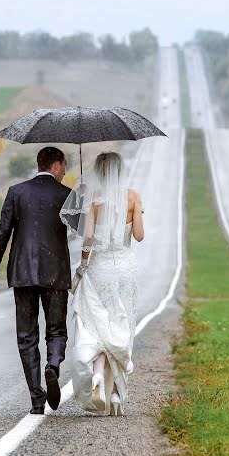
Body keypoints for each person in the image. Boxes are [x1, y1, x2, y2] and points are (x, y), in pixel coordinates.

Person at [0, 146, 72, 415]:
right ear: (55, 165)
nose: (66, 170)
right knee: (56, 330)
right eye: (64, 165)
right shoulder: (66, 194)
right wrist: (83, 200)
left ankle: (36, 398)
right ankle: (53, 365)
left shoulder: (16, 192)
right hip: (55, 273)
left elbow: (2, 232)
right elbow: (83, 228)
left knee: (26, 336)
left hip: (22, 273)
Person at [59, 152, 144, 416]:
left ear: (98, 170)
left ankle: (97, 374)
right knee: (122, 325)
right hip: (125, 270)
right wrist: (137, 213)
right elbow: (139, 236)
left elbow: (88, 239)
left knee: (97, 327)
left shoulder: (94, 199)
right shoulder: (133, 196)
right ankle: (117, 395)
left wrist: (83, 265)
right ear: (120, 170)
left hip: (100, 269)